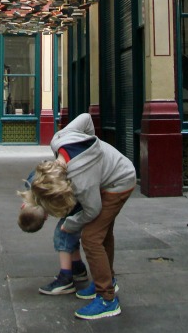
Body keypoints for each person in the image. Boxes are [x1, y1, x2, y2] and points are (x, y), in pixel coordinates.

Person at [21, 113, 136, 320]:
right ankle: (108, 279)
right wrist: (95, 148)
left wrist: (71, 224)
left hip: (119, 183)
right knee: (103, 232)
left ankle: (107, 299)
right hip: (114, 171)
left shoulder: (83, 181)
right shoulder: (59, 140)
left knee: (91, 238)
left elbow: (92, 210)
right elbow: (86, 118)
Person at [18, 173, 88, 295]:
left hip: (80, 199)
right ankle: (77, 268)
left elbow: (71, 204)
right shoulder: (30, 183)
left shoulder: (56, 198)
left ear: (45, 217)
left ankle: (65, 278)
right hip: (75, 185)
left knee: (63, 233)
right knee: (70, 231)